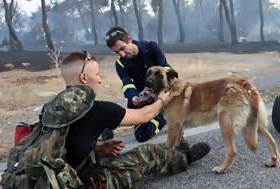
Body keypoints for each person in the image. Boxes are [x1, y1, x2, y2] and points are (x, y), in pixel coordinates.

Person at [50, 51, 211, 188]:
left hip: (63, 178)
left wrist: (97, 147)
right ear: (84, 78)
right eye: (97, 75)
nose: (100, 80)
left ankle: (176, 146)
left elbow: (66, 142)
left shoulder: (51, 107)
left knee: (106, 136)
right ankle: (186, 158)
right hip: (89, 182)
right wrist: (163, 100)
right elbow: (144, 116)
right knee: (148, 152)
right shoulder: (98, 109)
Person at [105, 26, 189, 145]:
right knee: (141, 135)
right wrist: (133, 98)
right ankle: (105, 130)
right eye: (116, 52)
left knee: (143, 135)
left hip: (163, 95)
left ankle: (163, 117)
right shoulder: (120, 63)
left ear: (129, 39)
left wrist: (160, 100)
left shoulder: (151, 47)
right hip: (141, 97)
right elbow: (127, 84)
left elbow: (167, 72)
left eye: (122, 48)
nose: (122, 54)